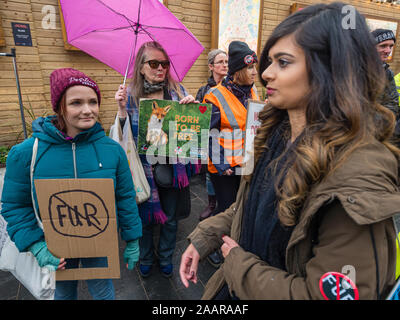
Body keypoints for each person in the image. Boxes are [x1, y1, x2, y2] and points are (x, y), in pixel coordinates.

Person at [179, 2, 400, 300]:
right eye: (268, 62)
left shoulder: (356, 179)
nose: (266, 73)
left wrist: (237, 264)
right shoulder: (272, 135)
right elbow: (251, 207)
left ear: (330, 69)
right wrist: (205, 237)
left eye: (283, 62)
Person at [1, 68, 142, 300]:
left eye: (93, 102)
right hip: (54, 246)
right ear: (60, 107)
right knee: (64, 294)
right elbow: (15, 205)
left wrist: (133, 238)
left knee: (104, 292)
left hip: (98, 243)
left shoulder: (112, 151)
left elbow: (125, 197)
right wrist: (35, 244)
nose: (87, 110)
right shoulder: (26, 154)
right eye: (76, 102)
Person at [115, 41, 200, 278]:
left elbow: (191, 137)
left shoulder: (178, 92)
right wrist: (121, 111)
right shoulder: (129, 97)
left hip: (172, 168)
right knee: (145, 221)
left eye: (164, 63)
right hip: (143, 170)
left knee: (171, 220)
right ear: (141, 67)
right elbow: (121, 139)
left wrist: (191, 112)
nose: (160, 68)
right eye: (154, 63)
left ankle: (165, 257)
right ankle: (146, 258)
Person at [201, 41, 259, 268]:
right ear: (237, 72)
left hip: (246, 162)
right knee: (225, 209)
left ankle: (235, 245)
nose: (255, 72)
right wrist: (222, 163)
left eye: (255, 66)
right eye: (250, 68)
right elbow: (209, 134)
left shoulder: (253, 90)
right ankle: (216, 247)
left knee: (241, 206)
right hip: (224, 167)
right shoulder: (214, 96)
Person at [195, 49, 228, 221]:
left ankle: (225, 205)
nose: (225, 65)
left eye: (226, 62)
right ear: (211, 66)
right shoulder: (204, 90)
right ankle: (211, 203)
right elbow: (198, 116)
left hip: (228, 139)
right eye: (220, 62)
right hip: (211, 139)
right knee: (210, 171)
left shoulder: (232, 88)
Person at [371, 29, 399, 119]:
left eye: (391, 46)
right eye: (383, 46)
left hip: (375, 128)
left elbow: (392, 103)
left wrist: (379, 123)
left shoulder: (387, 73)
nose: (388, 51)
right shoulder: (353, 69)